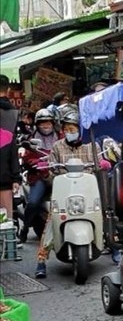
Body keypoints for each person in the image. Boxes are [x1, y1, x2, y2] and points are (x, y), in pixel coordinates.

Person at [35, 110, 110, 278]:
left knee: (103, 214)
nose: (70, 132)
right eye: (67, 129)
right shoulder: (57, 146)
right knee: (51, 221)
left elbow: (101, 163)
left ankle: (113, 246)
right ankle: (41, 260)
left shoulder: (92, 146)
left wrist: (104, 164)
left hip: (87, 191)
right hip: (64, 192)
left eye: (73, 129)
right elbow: (51, 172)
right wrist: (45, 169)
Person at [19, 109, 60, 243]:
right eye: (42, 123)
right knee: (34, 202)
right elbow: (27, 158)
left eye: (48, 122)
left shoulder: (61, 136)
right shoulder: (32, 139)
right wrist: (36, 163)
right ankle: (24, 228)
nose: (46, 126)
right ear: (37, 124)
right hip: (39, 176)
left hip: (59, 174)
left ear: (53, 123)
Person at [0, 75, 20, 222]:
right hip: (5, 172)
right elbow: (13, 147)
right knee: (6, 219)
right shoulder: (12, 112)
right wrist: (15, 176)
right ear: (7, 90)